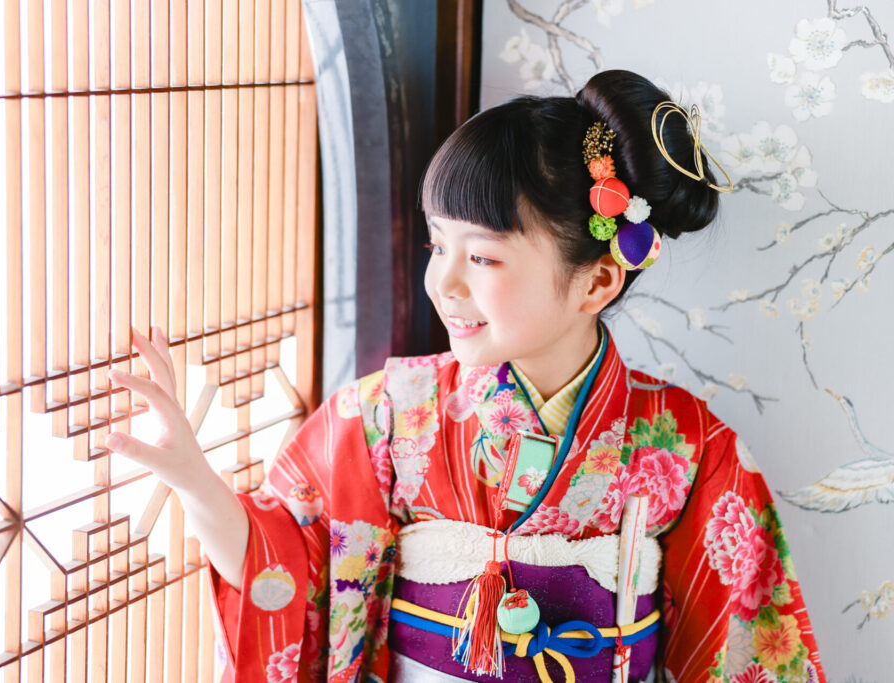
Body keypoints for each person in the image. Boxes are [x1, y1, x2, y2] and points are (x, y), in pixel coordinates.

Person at [105, 70, 825, 682]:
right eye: (436, 244)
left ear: (597, 281)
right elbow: (288, 566)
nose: (443, 282)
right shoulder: (388, 413)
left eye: (481, 257)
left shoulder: (691, 446)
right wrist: (194, 480)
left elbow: (747, 649)